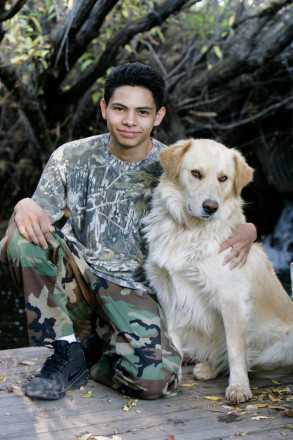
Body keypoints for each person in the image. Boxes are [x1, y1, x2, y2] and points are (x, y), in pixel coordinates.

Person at [0, 62, 257, 401]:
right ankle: (65, 351)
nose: (130, 121)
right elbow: (30, 229)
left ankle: (96, 353)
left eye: (142, 112)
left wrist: (250, 229)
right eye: (120, 109)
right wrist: (23, 204)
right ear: (105, 108)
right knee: (21, 237)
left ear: (159, 115)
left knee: (154, 382)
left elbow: (215, 208)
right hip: (80, 277)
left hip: (136, 294)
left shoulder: (175, 166)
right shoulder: (70, 156)